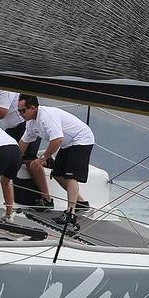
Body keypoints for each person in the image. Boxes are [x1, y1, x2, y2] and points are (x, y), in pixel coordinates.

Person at [16, 94, 94, 224]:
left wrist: (42, 158)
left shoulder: (46, 117)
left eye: (23, 111)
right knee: (57, 174)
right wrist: (14, 160)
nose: (21, 114)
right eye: (19, 111)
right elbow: (24, 142)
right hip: (67, 143)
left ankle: (71, 213)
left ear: (33, 108)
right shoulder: (31, 123)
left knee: (70, 176)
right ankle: (81, 203)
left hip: (81, 139)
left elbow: (57, 139)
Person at [0, 88, 40, 161]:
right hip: (11, 129)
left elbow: (1, 113)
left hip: (23, 126)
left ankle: (47, 162)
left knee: (29, 160)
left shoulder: (5, 90)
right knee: (6, 156)